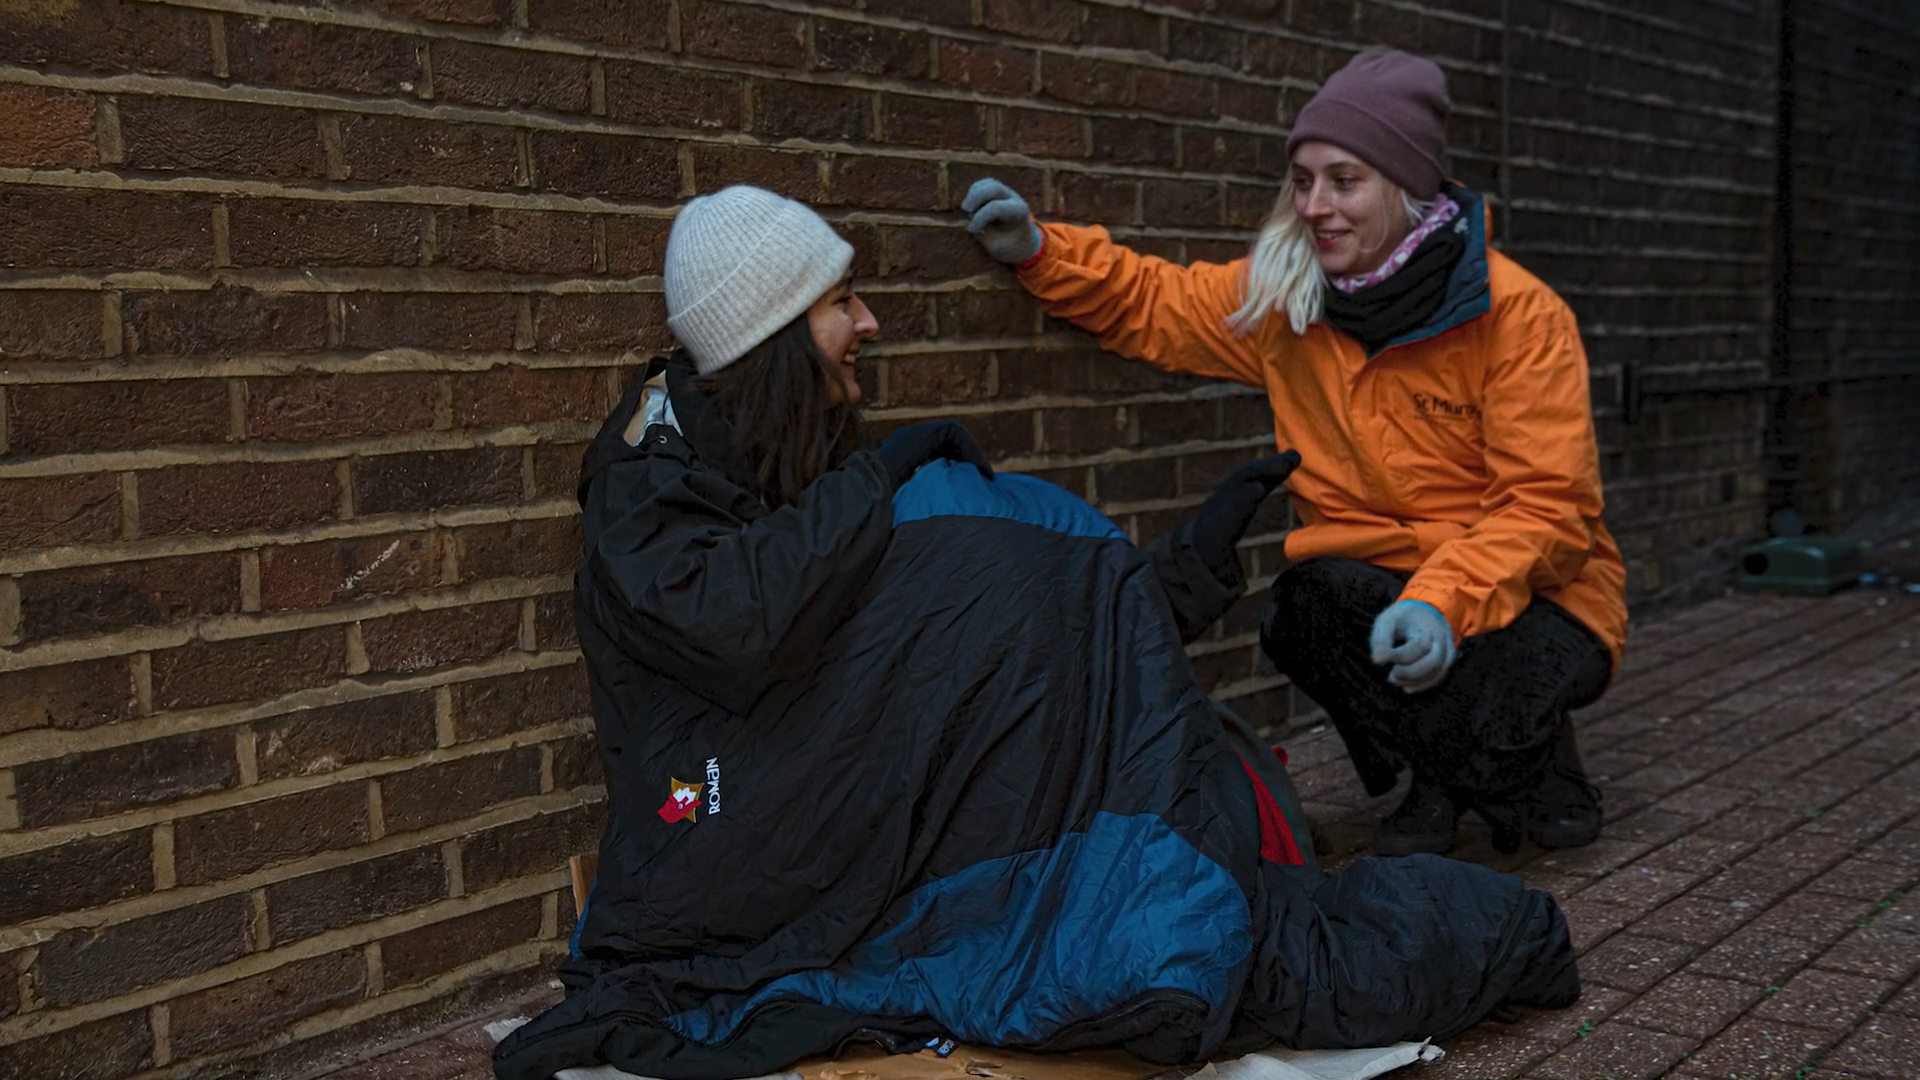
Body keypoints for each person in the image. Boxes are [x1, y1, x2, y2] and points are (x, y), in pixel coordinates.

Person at [494, 185, 1579, 1080]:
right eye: (842, 300)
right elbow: (733, 625)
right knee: (991, 546)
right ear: (775, 330)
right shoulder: (650, 473)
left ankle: (1163, 875)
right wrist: (890, 478)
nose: (867, 322)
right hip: (717, 820)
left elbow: (916, 648)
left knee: (1025, 563)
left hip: (827, 790)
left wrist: (1172, 578)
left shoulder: (780, 440)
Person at [959, 49, 1627, 858]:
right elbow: (1158, 302)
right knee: (1303, 610)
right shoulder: (1289, 304)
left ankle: (1524, 765)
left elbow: (1548, 511)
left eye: (1343, 181)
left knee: (1504, 710)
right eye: (1303, 182)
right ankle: (1450, 765)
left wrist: (1443, 602)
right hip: (1381, 580)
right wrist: (1038, 250)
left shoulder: (1518, 316)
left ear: (1406, 190)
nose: (1315, 206)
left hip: (1538, 596)